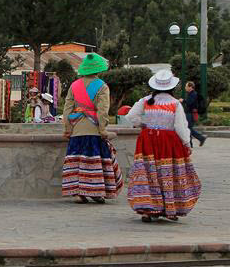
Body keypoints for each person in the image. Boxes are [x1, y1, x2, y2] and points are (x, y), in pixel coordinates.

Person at [126, 70, 201, 222]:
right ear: (171, 87)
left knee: (149, 172)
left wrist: (144, 125)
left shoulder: (145, 100)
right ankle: (170, 209)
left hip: (148, 140)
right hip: (168, 142)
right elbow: (180, 126)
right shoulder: (174, 104)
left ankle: (148, 209)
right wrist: (187, 143)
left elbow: (131, 116)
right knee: (168, 172)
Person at [61, 53, 123, 204]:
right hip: (94, 129)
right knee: (95, 162)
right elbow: (102, 111)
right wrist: (103, 130)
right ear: (98, 69)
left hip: (77, 129)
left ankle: (78, 193)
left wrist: (68, 129)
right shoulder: (102, 86)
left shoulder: (74, 86)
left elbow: (67, 109)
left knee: (77, 162)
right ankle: (96, 192)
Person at [183, 81, 207, 147]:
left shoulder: (193, 94)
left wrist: (183, 100)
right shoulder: (191, 94)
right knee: (188, 128)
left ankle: (200, 138)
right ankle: (192, 142)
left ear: (190, 87)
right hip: (190, 113)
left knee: (188, 128)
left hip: (190, 114)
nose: (185, 87)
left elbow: (189, 103)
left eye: (186, 86)